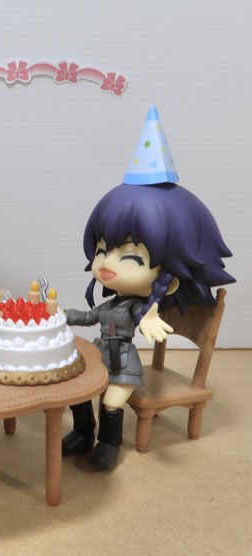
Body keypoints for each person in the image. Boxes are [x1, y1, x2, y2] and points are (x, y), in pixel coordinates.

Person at [63, 107, 235, 470]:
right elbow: (90, 316)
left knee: (112, 399)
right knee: (75, 386)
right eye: (101, 250)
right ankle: (83, 430)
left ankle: (109, 441)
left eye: (130, 257)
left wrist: (148, 319)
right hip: (99, 356)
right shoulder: (112, 303)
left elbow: (144, 316)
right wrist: (62, 316)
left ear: (170, 275)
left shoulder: (136, 307)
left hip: (123, 365)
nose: (105, 263)